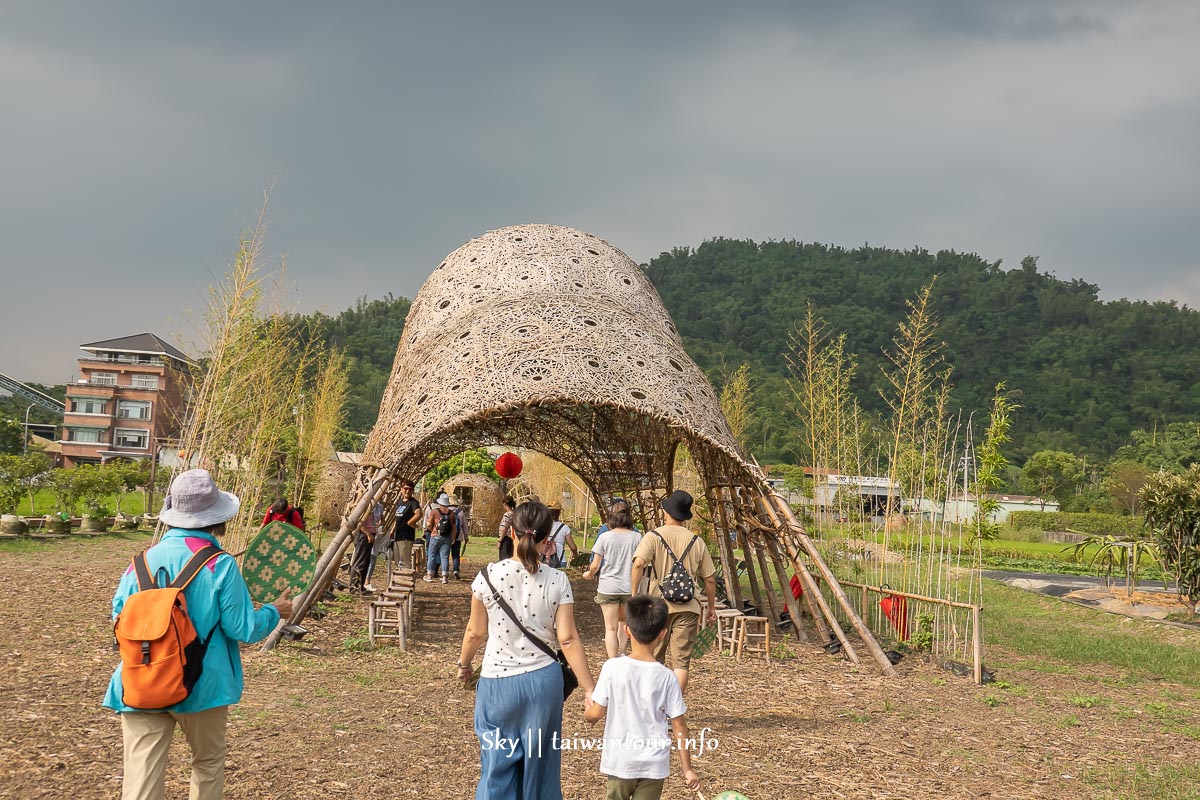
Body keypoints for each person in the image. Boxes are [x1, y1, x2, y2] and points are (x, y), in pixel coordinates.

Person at [104, 469, 293, 800]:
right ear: (216, 519)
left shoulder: (139, 563)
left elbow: (119, 620)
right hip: (202, 684)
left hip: (141, 680)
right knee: (206, 764)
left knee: (141, 776)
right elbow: (243, 628)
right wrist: (275, 611)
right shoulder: (219, 564)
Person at [457, 501, 596, 800]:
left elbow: (475, 631)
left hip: (497, 683)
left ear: (511, 532)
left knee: (497, 765)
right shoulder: (559, 580)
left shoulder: (488, 576)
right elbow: (568, 639)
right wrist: (589, 689)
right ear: (548, 540)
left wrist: (464, 665)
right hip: (543, 685)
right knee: (541, 766)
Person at [584, 595, 701, 799]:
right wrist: (687, 769)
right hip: (653, 765)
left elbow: (596, 713)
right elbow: (679, 726)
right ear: (663, 634)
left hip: (621, 761)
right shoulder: (668, 677)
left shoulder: (612, 668)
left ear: (627, 631)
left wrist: (588, 711)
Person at [630, 490, 717, 693]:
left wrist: (634, 595)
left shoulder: (654, 536)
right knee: (681, 663)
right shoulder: (697, 542)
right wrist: (711, 608)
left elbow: (638, 565)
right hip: (689, 606)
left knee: (653, 657)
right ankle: (673, 711)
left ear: (666, 512)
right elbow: (710, 580)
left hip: (658, 606)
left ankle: (654, 708)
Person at [582, 503, 643, 659]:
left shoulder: (605, 537)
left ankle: (611, 659)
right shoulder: (637, 537)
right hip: (629, 587)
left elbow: (595, 565)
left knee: (610, 627)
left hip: (608, 587)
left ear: (611, 520)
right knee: (623, 623)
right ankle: (622, 653)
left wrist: (589, 574)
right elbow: (641, 562)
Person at [350, 501, 382, 594]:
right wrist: (368, 534)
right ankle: (354, 587)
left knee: (366, 561)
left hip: (371, 534)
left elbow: (380, 519)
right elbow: (359, 523)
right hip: (363, 535)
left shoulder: (376, 506)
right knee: (360, 561)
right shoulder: (364, 505)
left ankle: (361, 587)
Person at [425, 493, 457, 584]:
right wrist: (453, 537)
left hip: (435, 536)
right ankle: (444, 577)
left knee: (432, 556)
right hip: (447, 537)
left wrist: (432, 530)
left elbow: (428, 524)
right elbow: (454, 527)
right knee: (445, 557)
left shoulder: (435, 511)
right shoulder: (451, 514)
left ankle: (429, 575)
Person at [392, 480, 422, 571]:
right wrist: (392, 531)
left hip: (406, 535)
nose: (407, 491)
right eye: (405, 489)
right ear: (401, 489)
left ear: (413, 491)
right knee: (396, 560)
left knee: (405, 560)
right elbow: (396, 518)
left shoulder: (413, 502)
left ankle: (405, 577)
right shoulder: (400, 502)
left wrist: (410, 523)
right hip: (398, 535)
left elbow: (419, 514)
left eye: (410, 489)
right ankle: (397, 578)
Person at [544, 500, 578, 568]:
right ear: (559, 513)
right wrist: (575, 555)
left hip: (544, 560)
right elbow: (573, 547)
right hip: (560, 561)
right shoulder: (564, 528)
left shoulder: (542, 526)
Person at [449, 495, 470, 579]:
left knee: (445, 554)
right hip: (458, 536)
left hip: (447, 536)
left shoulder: (446, 511)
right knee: (456, 554)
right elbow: (464, 525)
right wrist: (466, 536)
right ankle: (456, 570)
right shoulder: (460, 512)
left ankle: (444, 572)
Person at [496, 496, 517, 561]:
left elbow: (504, 528)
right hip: (512, 539)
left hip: (506, 539)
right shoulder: (515, 514)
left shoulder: (507, 515)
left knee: (504, 559)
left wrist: (500, 540)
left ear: (505, 504)